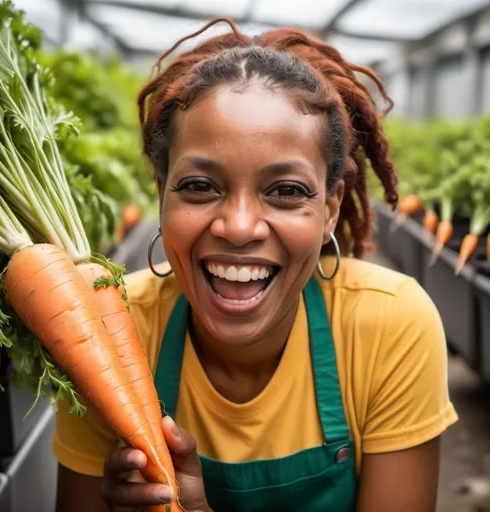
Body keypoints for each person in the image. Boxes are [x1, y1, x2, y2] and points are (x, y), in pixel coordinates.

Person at [53, 18, 458, 512]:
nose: (240, 227)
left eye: (286, 192)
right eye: (200, 186)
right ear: (162, 196)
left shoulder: (390, 325)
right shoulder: (103, 333)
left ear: (330, 209)